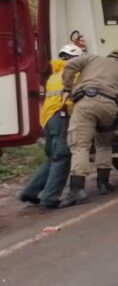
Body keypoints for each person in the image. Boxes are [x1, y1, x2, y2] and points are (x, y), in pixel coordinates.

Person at [58, 49, 118, 207]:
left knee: (80, 145)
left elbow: (69, 65)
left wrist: (68, 88)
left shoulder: (92, 58)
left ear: (109, 55)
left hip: (86, 103)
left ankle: (77, 190)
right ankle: (103, 184)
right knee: (104, 144)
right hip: (109, 107)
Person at [17, 44, 84, 209]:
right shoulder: (73, 74)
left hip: (47, 119)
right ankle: (50, 198)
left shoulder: (54, 75)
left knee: (53, 157)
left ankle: (30, 192)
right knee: (62, 157)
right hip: (60, 117)